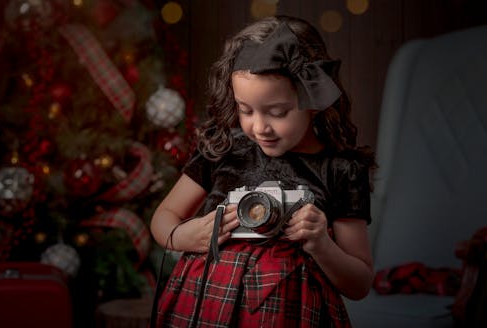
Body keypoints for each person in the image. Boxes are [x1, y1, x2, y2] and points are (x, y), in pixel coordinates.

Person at [150, 15, 376, 328]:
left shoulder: (341, 169)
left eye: (277, 112)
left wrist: (322, 245)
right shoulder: (224, 149)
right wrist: (184, 236)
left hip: (290, 313)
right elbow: (164, 216)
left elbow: (360, 284)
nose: (259, 127)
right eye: (245, 109)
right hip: (204, 305)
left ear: (315, 99)